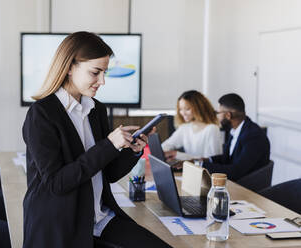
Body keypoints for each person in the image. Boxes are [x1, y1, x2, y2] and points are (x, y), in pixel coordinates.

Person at [22, 31, 171, 248]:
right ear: (70, 67)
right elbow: (57, 183)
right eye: (95, 72)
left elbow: (107, 173)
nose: (102, 81)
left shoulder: (96, 109)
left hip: (99, 218)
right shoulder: (42, 114)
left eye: (104, 72)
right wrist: (109, 145)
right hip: (62, 226)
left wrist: (132, 151)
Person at [202, 93, 270, 181]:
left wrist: (201, 165)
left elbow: (236, 171)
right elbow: (227, 159)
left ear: (228, 115)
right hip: (234, 183)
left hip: (246, 187)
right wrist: (205, 160)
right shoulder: (236, 129)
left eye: (217, 113)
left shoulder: (254, 136)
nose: (216, 117)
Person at [162, 90, 223, 162]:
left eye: (187, 109)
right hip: (190, 170)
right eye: (181, 109)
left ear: (199, 108)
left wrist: (177, 155)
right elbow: (166, 145)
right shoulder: (185, 128)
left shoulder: (212, 129)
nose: (183, 113)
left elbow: (211, 160)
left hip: (204, 172)